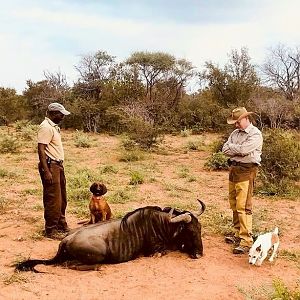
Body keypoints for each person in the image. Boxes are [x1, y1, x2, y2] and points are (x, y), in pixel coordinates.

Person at [222, 107, 263, 254]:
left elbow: (245, 150)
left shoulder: (255, 134)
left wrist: (234, 149)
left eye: (238, 122)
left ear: (246, 119)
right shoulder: (234, 133)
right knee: (233, 203)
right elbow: (224, 149)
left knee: (243, 206)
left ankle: (246, 240)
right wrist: (237, 149)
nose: (236, 125)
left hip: (247, 171)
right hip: (234, 169)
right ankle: (237, 233)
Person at [37, 102, 71, 239]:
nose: (62, 116)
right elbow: (41, 149)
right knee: (53, 199)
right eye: (60, 114)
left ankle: (61, 225)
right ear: (53, 113)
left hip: (57, 165)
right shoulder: (45, 127)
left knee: (62, 197)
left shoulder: (54, 127)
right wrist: (47, 171)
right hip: (51, 166)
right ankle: (51, 230)